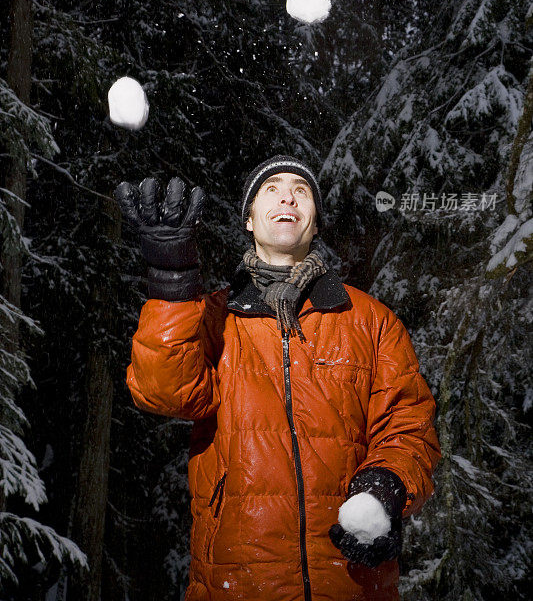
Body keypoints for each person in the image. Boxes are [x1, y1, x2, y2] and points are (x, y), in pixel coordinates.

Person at [116, 155, 441, 601]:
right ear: (249, 219)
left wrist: (386, 485)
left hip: (348, 581)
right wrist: (171, 281)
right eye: (271, 188)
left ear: (315, 222)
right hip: (237, 578)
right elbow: (163, 393)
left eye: (301, 190)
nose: (287, 195)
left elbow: (410, 427)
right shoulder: (213, 316)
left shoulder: (369, 320)